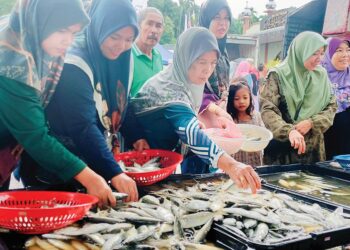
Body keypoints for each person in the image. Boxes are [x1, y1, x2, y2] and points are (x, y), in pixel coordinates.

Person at [19, 0, 147, 202]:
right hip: (55, 167)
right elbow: (82, 126)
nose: (121, 46)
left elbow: (121, 100)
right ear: (98, 27)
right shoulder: (73, 64)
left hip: (92, 163)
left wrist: (136, 135)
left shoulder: (122, 58)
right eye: (114, 37)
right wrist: (114, 172)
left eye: (129, 39)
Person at [0, 0, 116, 206]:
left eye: (74, 32)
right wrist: (90, 177)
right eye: (62, 30)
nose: (68, 41)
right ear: (41, 20)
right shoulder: (12, 58)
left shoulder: (36, 39)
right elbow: (36, 136)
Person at [131, 27, 261, 193]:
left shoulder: (188, 82)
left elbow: (179, 119)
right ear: (186, 58)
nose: (207, 70)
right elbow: (190, 132)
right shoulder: (170, 86)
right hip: (138, 164)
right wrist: (232, 165)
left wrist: (191, 120)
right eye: (201, 62)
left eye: (213, 63)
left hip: (158, 162)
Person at [260, 31, 337, 165]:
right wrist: (289, 131)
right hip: (283, 151)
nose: (319, 58)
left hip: (313, 150)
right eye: (314, 53)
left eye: (321, 53)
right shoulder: (278, 75)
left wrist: (312, 123)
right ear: (301, 51)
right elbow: (268, 110)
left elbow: (331, 107)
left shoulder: (321, 75)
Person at [198, 0, 231, 112]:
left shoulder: (223, 50)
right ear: (206, 20)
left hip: (221, 111)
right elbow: (188, 87)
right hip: (200, 115)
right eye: (217, 17)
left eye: (226, 18)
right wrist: (212, 106)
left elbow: (224, 84)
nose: (223, 23)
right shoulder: (197, 48)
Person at [322, 38, 350, 159]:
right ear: (328, 54)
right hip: (325, 148)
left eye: (348, 50)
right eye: (339, 50)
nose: (345, 55)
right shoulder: (316, 78)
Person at [227, 79, 265, 167]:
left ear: (250, 98)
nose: (241, 101)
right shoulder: (230, 119)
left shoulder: (256, 116)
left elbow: (263, 134)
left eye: (245, 97)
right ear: (231, 100)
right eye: (237, 98)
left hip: (255, 158)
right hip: (237, 160)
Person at [130, 7, 164, 98]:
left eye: (158, 26)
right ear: (138, 26)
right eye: (149, 24)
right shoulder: (128, 55)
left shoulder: (158, 56)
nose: (154, 30)